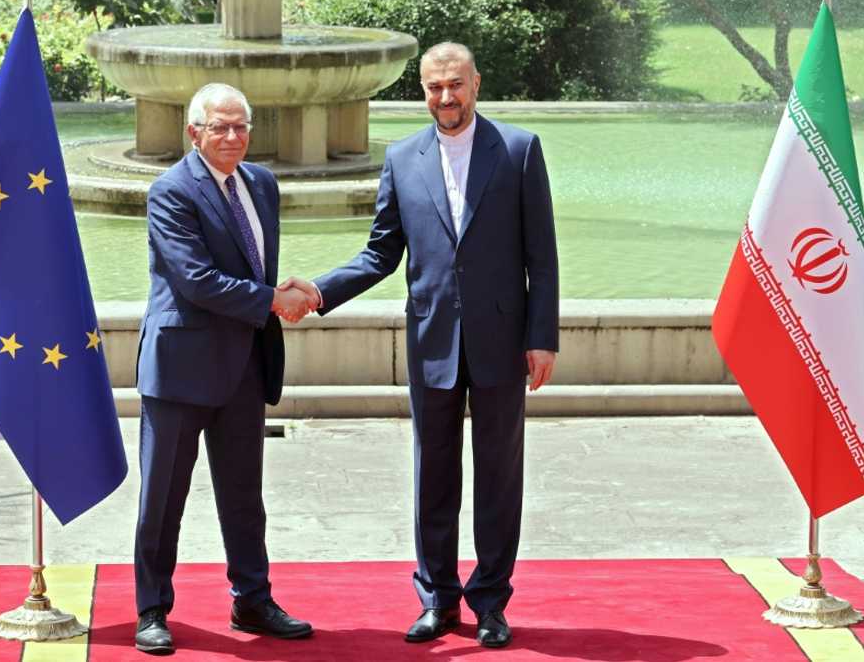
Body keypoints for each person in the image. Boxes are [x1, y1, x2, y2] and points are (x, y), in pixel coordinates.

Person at [284, 42, 559, 648]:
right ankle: (439, 599)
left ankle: (490, 601)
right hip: (431, 340)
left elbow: (542, 254)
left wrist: (542, 338)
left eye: (455, 84)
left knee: (497, 478)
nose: (446, 97)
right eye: (435, 87)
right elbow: (381, 252)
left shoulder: (517, 150)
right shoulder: (402, 157)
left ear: (476, 83)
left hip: (501, 342)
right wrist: (319, 291)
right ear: (423, 91)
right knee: (433, 477)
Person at [133, 83, 315, 655]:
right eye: (220, 127)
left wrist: (272, 298)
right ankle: (152, 609)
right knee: (163, 498)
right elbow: (195, 280)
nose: (233, 137)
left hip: (244, 365)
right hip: (181, 368)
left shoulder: (261, 183)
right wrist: (271, 301)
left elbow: (257, 264)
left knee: (244, 494)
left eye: (241, 127)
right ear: (194, 133)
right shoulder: (170, 192)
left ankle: (253, 600)